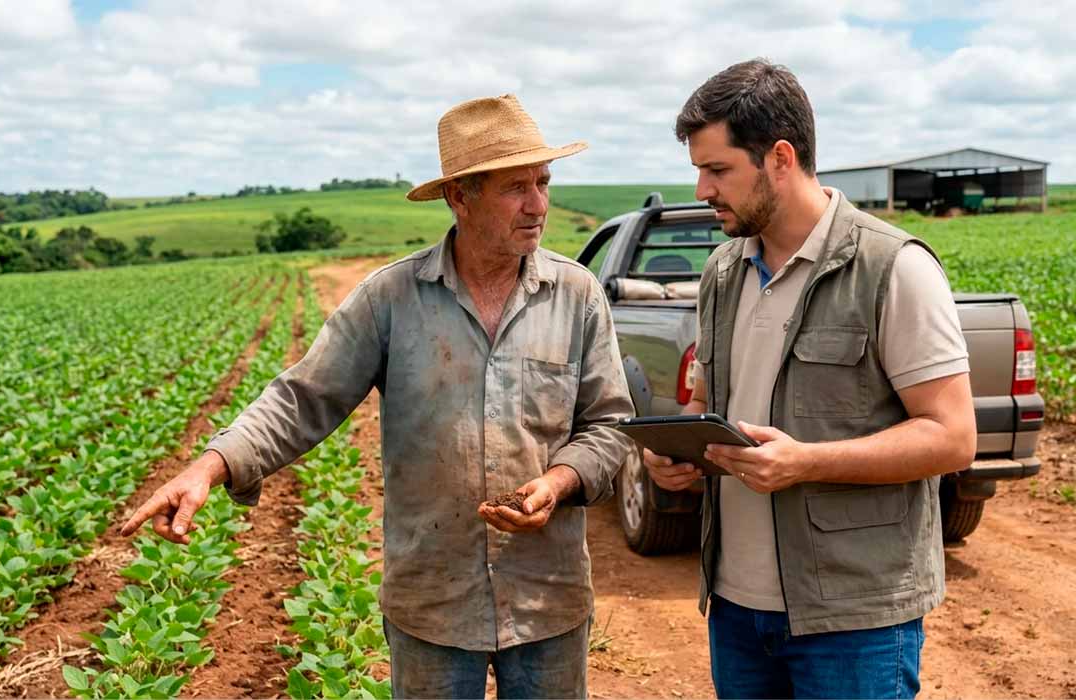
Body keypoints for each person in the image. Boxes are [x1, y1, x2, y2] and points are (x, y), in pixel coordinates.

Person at [120, 93, 634, 699]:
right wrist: (209, 466)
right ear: (460, 196)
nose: (538, 205)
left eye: (543, 182)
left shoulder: (577, 295)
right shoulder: (390, 298)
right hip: (433, 600)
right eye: (515, 188)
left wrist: (559, 482)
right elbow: (304, 398)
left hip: (547, 597)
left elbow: (609, 426)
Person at [642, 58, 976, 699]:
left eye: (718, 170)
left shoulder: (892, 268)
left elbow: (953, 437)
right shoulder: (722, 272)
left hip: (855, 620)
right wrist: (678, 453)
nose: (703, 189)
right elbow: (706, 403)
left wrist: (807, 462)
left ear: (780, 158)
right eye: (699, 171)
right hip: (736, 610)